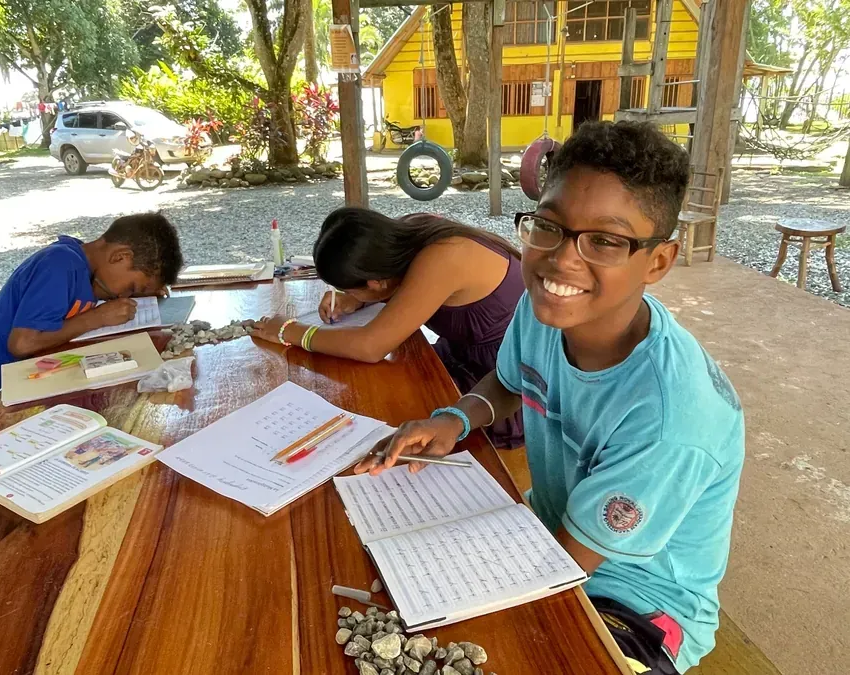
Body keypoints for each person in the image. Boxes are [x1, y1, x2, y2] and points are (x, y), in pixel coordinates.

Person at [354, 121, 745, 675]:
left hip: (636, 605)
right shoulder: (548, 313)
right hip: (548, 528)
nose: (561, 261)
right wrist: (456, 419)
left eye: (605, 241)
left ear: (657, 261)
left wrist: (432, 568)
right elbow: (509, 384)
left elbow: (562, 564)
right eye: (549, 226)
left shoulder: (670, 417)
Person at [248, 207, 526, 448]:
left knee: (374, 413)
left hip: (503, 385)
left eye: (350, 289)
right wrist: (352, 299)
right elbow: (403, 290)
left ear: (375, 282)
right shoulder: (406, 236)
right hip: (460, 357)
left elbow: (371, 346)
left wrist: (290, 331)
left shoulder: (444, 257)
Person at [0, 212, 183, 400]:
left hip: (44, 378)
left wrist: (143, 290)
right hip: (14, 394)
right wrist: (97, 318)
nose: (125, 295)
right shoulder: (58, 264)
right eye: (131, 287)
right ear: (120, 256)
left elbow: (88, 295)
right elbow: (22, 344)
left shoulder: (84, 265)